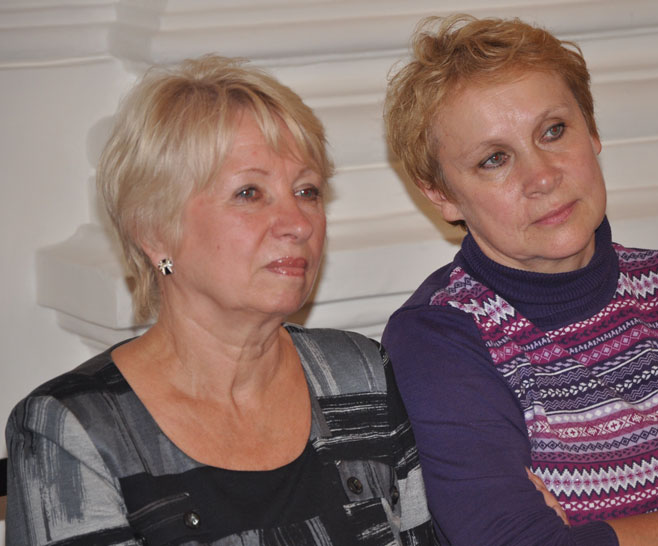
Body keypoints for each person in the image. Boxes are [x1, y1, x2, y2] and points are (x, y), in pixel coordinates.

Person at [382, 14, 658, 546]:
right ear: (441, 194)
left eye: (553, 131)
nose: (542, 176)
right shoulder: (439, 337)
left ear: (592, 129)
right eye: (494, 159)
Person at [6, 55, 436, 545]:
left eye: (307, 190)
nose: (298, 223)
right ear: (155, 232)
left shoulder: (358, 374)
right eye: (250, 192)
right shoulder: (74, 429)